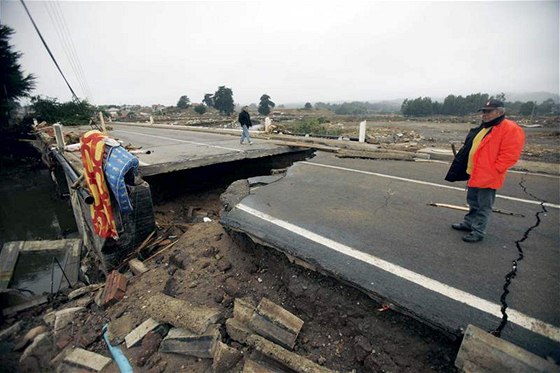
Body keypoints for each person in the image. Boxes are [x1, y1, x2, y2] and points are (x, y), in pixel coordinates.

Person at [445, 99, 525, 243]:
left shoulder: (510, 129)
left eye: (488, 111)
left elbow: (510, 155)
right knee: (472, 201)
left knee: (484, 205)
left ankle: (478, 231)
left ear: (500, 112)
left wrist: (494, 170)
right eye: (483, 111)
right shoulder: (486, 127)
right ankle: (469, 223)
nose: (484, 114)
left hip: (488, 175)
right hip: (474, 172)